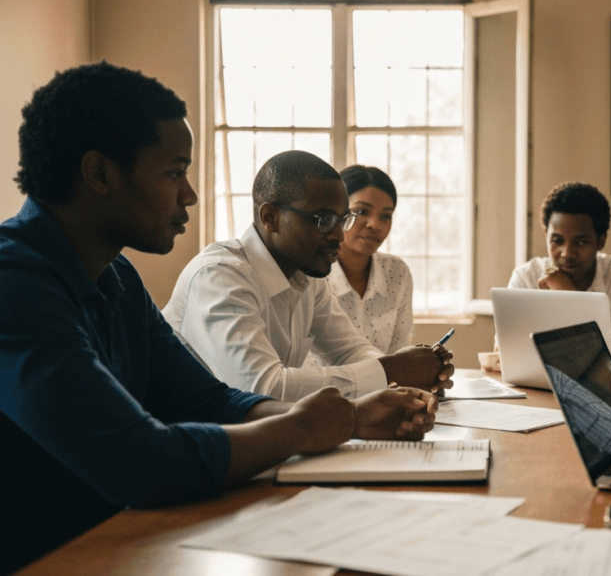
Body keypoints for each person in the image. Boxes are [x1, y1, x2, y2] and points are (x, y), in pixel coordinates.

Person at [0, 62, 439, 573]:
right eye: (174, 172)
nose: (188, 194)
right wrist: (299, 430)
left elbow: (208, 399)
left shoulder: (115, 275)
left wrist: (352, 417)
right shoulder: (14, 283)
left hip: (121, 538)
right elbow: (142, 462)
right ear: (99, 173)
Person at [163, 151, 452, 402]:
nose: (338, 235)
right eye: (323, 220)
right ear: (270, 217)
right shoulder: (219, 277)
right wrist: (391, 371)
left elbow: (348, 350)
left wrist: (406, 376)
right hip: (186, 447)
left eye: (342, 220)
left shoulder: (306, 276)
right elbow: (262, 389)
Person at [497, 182, 611, 359]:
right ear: (546, 235)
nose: (567, 253)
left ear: (601, 241)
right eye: (557, 241)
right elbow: (506, 352)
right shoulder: (526, 277)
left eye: (581, 242)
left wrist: (567, 294)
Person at [312, 165, 413, 357]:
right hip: (323, 387)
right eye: (362, 212)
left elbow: (399, 353)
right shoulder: (311, 274)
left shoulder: (397, 272)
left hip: (388, 386)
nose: (375, 225)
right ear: (335, 212)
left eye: (385, 216)